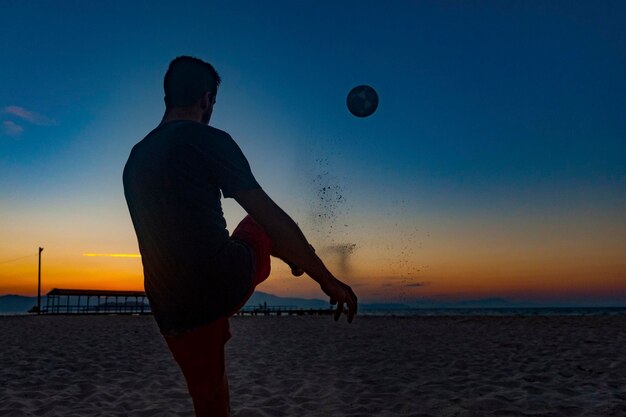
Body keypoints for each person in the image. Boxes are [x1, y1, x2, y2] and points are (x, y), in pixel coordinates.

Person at [122, 56, 357, 417]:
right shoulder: (210, 139)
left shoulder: (135, 158)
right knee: (262, 223)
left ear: (167, 97)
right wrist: (327, 280)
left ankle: (288, 256)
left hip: (170, 305)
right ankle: (293, 258)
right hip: (219, 282)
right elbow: (271, 217)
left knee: (210, 404)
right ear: (206, 100)